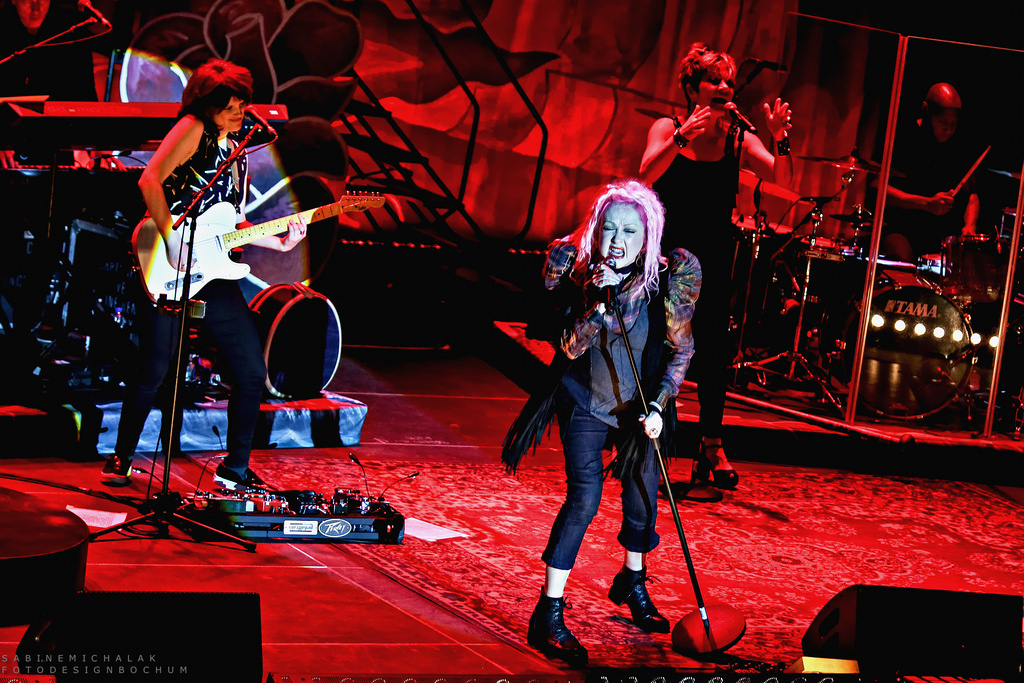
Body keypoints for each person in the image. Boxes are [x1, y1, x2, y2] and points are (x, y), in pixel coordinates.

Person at [502, 179, 701, 666]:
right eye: (609, 228)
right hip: (585, 400)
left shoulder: (669, 278)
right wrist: (599, 301)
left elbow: (681, 350)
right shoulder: (581, 275)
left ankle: (632, 579)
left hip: (641, 406)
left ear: (648, 237)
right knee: (583, 499)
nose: (617, 240)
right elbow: (571, 347)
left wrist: (660, 405)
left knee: (643, 496)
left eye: (630, 231)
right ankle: (548, 612)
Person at [101, 59, 306, 487]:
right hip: (168, 260)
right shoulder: (193, 128)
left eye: (242, 106)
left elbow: (232, 222)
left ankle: (235, 470)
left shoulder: (239, 152)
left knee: (251, 371)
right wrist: (172, 239)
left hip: (214, 273)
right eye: (229, 107)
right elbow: (149, 180)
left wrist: (279, 242)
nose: (239, 114)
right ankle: (122, 457)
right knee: (155, 369)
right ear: (207, 106)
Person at [638, 42, 793, 491]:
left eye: (728, 81)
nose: (725, 87)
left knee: (713, 352)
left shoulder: (738, 137)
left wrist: (779, 136)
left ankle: (711, 444)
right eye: (714, 80)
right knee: (662, 347)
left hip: (714, 257)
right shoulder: (668, 126)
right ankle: (651, 439)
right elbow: (645, 174)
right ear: (692, 89)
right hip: (668, 255)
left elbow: (783, 179)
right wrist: (682, 137)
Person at [880, 82, 981, 263]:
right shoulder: (903, 137)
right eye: (943, 122)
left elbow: (971, 196)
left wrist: (970, 226)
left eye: (954, 124)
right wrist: (927, 204)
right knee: (904, 260)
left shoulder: (958, 146)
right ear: (926, 112)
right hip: (901, 228)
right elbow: (879, 190)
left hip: (941, 235)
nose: (949, 130)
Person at [1, 0, 104, 169]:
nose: (36, 6)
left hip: (56, 147)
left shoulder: (70, 30)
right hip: (6, 148)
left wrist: (98, 147)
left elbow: (85, 96)